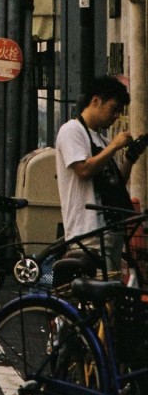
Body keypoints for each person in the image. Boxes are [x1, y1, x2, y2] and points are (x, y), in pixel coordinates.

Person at [55, 75, 143, 274]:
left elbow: (116, 183)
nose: (116, 116)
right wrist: (114, 146)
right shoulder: (71, 131)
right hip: (87, 233)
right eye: (114, 108)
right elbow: (83, 170)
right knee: (94, 292)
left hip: (108, 231)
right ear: (96, 101)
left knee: (110, 294)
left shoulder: (101, 140)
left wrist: (129, 158)